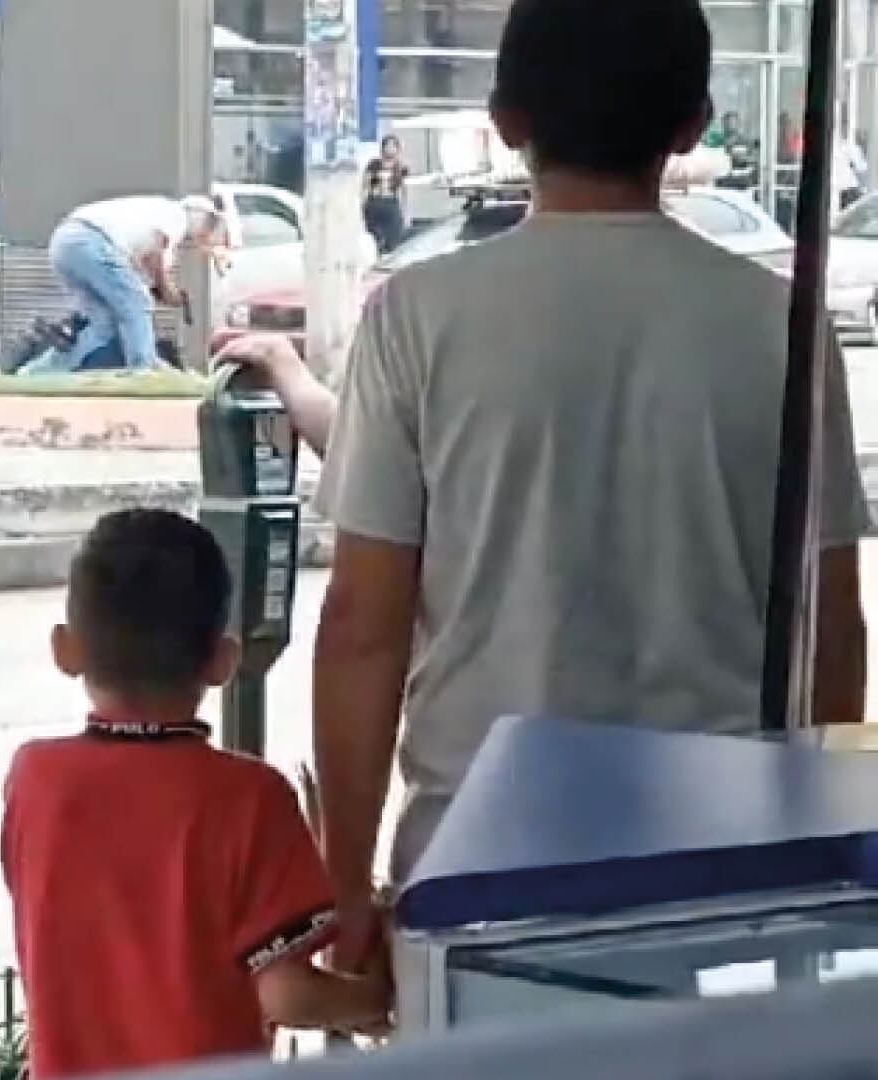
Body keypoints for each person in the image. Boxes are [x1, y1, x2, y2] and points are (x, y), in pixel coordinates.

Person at [299, 0, 868, 977]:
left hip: (479, 871)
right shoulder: (783, 325)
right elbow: (834, 628)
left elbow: (362, 625)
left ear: (505, 120)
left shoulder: (418, 318)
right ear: (691, 127)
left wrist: (343, 880)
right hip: (727, 871)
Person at [2, 509, 392, 1078]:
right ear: (223, 661)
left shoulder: (33, 779)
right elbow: (286, 995)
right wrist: (373, 997)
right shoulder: (250, 797)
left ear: (66, 649)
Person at [19, 194, 226, 375]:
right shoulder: (176, 215)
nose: (204, 231)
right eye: (207, 224)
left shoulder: (145, 217)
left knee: (104, 324)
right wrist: (165, 289)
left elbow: (135, 269)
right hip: (90, 239)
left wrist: (156, 287)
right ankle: (143, 368)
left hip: (64, 242)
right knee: (137, 301)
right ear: (198, 215)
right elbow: (155, 256)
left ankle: (38, 372)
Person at [362, 135, 410, 253]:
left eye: (393, 146)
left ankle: (387, 253)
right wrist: (362, 203)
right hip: (374, 203)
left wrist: (405, 212)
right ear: (383, 148)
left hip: (391, 203)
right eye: (388, 145)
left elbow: (404, 190)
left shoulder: (401, 167)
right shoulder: (373, 164)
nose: (390, 149)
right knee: (375, 236)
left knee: (393, 238)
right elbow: (365, 185)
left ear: (397, 149)